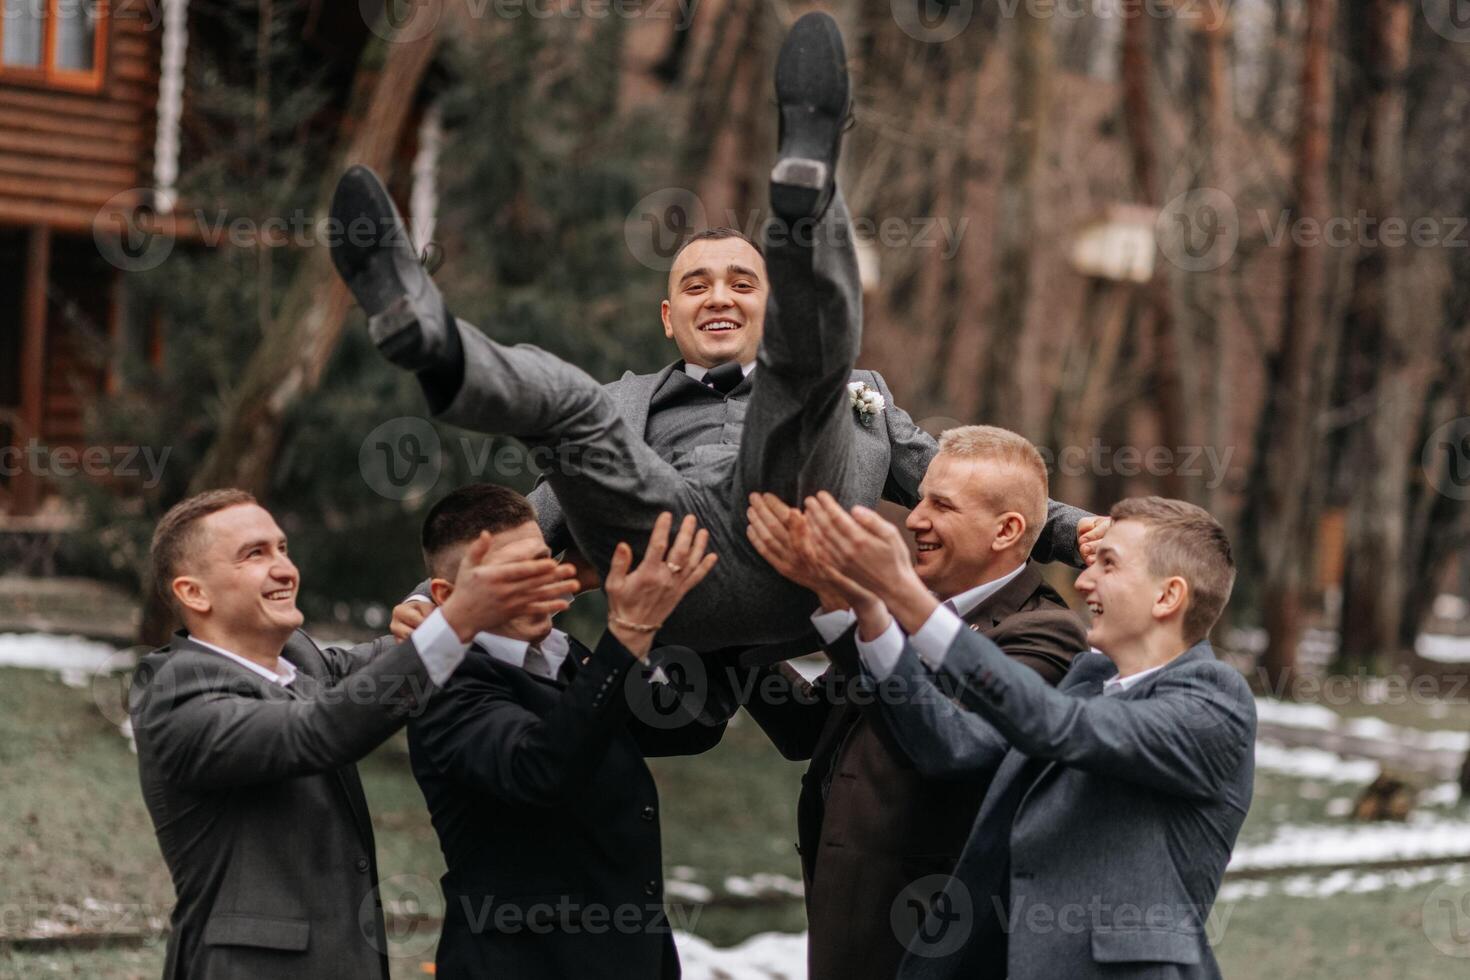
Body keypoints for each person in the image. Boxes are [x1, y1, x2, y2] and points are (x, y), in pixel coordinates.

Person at [328, 11, 1104, 649]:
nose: (719, 297)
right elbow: (532, 522)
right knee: (567, 404)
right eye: (694, 286)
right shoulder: (626, 405)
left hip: (795, 549)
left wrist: (1078, 535)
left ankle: (810, 190)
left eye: (742, 282)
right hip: (678, 566)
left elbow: (963, 488)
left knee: (811, 380)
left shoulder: (859, 401)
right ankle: (431, 339)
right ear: (669, 319)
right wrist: (430, 605)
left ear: (769, 306)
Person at [801, 492, 1255, 979]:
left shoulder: (1214, 700)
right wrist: (868, 615)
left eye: (1109, 564)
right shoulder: (1085, 680)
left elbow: (1053, 724)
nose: (1083, 582)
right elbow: (957, 746)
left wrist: (909, 601)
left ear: (1168, 596)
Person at [130, 488, 578, 979]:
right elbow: (319, 731)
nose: (284, 568)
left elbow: (398, 656)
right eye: (254, 554)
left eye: (282, 548)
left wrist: (565, 491)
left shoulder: (301, 659)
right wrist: (457, 616)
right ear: (193, 592)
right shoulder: (174, 691)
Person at [736, 425, 1087, 980]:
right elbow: (805, 729)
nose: (915, 518)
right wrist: (721, 634)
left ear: (1006, 531)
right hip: (840, 932)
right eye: (920, 497)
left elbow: (949, 748)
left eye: (941, 506)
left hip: (938, 948)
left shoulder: (1046, 633)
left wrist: (852, 610)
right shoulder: (911, 602)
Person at [404, 484, 723, 978]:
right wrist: (627, 632)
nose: (534, 582)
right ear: (446, 595)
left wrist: (719, 607)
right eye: (509, 574)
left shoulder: (569, 656)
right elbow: (539, 768)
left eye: (539, 562)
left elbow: (686, 726)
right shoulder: (443, 680)